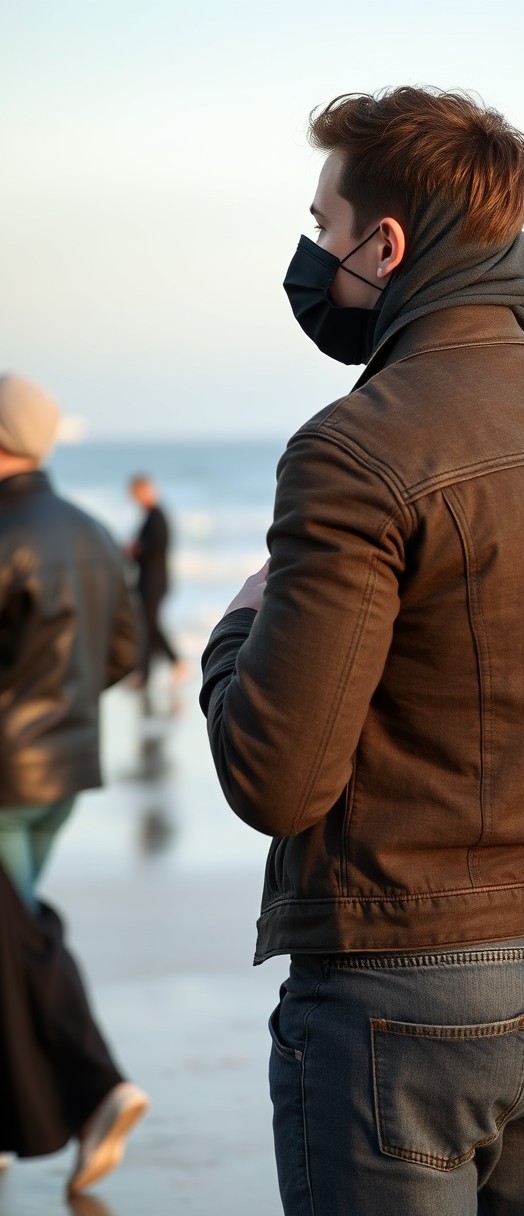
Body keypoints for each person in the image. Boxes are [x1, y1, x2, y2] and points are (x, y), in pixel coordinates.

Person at [200, 88, 524, 1216]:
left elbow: (274, 778)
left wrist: (232, 632)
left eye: (321, 228)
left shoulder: (354, 449)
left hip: (402, 989)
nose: (312, 256)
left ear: (386, 243)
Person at [0, 372, 149, 1195]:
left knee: (18, 936)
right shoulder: (91, 532)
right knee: (12, 935)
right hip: (63, 772)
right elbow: (121, 655)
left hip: (4, 772)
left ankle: (100, 1090)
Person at [127, 474, 186, 687]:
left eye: (137, 494)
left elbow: (152, 549)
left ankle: (176, 662)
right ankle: (145, 675)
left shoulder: (157, 517)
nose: (136, 499)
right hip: (149, 580)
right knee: (147, 627)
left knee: (149, 625)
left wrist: (134, 551)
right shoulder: (151, 517)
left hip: (154, 581)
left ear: (147, 490)